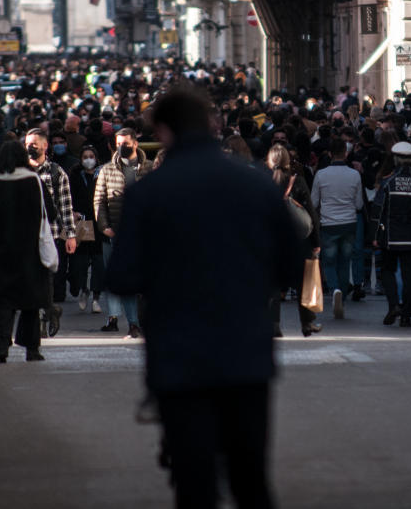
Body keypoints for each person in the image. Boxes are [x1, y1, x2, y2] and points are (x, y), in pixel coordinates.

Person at [105, 91, 302, 509]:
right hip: (245, 351)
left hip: (179, 358)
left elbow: (121, 276)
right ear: (212, 127)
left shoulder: (149, 192)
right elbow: (290, 265)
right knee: (251, 478)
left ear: (163, 131)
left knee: (194, 483)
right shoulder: (252, 182)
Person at [0, 142, 54, 362]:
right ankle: (32, 349)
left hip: (3, 252)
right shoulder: (34, 182)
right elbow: (50, 213)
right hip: (31, 251)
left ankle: (2, 347)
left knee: (5, 302)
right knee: (31, 301)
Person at [94, 127, 151, 337]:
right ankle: (133, 323)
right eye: (118, 144)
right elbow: (99, 200)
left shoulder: (149, 168)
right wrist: (104, 227)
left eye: (125, 143)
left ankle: (144, 320)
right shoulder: (108, 170)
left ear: (135, 143)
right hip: (117, 233)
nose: (121, 148)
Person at [371, 141, 411, 327]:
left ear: (395, 159)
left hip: (390, 236)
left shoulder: (388, 183)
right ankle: (406, 315)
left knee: (387, 270)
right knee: (409, 275)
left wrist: (374, 235)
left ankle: (394, 304)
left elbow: (378, 210)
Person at [266, 144, 321, 337]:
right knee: (303, 282)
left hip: (271, 240)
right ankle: (307, 323)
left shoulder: (263, 181)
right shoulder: (297, 181)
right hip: (298, 240)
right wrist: (316, 242)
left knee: (272, 284)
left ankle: (273, 324)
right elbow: (310, 214)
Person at [25, 128, 77, 336]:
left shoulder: (56, 172)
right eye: (27, 143)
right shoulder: (20, 171)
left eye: (34, 143)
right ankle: (44, 313)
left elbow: (65, 205)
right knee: (29, 280)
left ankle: (45, 317)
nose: (30, 147)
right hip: (26, 236)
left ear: (45, 146)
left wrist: (70, 234)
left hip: (51, 235)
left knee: (47, 280)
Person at [310, 138, 364, 319]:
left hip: (329, 223)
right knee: (345, 261)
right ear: (346, 153)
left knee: (329, 261)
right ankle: (342, 295)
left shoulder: (321, 175)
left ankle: (334, 289)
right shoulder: (354, 175)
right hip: (349, 222)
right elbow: (358, 204)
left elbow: (314, 202)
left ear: (330, 154)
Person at [68, 145, 104, 314]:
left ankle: (96, 296)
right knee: (80, 261)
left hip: (99, 222)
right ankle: (83, 288)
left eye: (91, 156)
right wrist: (72, 212)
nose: (88, 159)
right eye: (85, 157)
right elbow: (70, 197)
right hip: (82, 221)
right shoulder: (74, 176)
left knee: (98, 261)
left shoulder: (102, 174)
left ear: (96, 158)